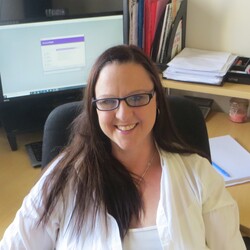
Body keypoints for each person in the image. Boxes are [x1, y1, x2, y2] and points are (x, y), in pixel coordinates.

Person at [0, 45, 246, 250]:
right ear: (94, 109)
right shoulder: (63, 180)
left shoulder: (198, 175)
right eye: (108, 101)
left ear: (156, 100)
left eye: (137, 98)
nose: (123, 114)